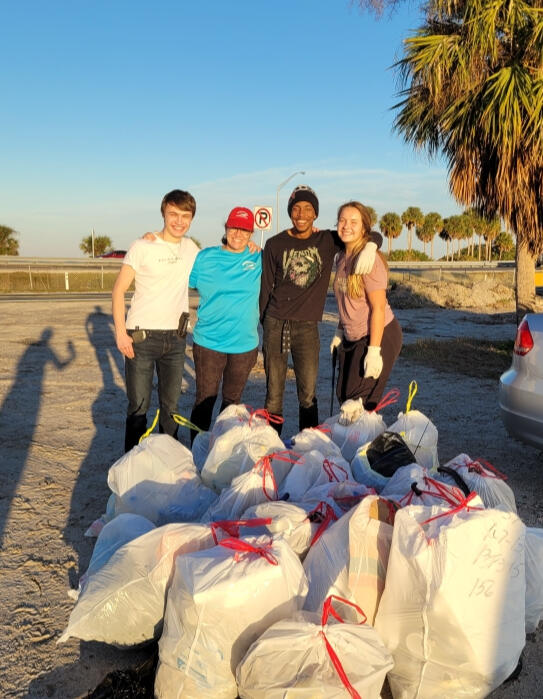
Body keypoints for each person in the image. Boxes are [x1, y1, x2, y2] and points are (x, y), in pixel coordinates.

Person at [259, 185, 382, 434]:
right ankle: (271, 444)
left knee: (308, 394)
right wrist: (263, 324)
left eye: (307, 208)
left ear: (315, 214)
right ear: (290, 212)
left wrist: (372, 247)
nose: (301, 214)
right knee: (273, 394)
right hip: (275, 322)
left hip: (307, 327)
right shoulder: (274, 244)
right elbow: (265, 289)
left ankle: (308, 446)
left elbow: (369, 234)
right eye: (296, 208)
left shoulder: (327, 239)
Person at [112, 189, 199, 452]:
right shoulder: (143, 246)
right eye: (173, 214)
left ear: (192, 219)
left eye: (185, 215)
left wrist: (251, 246)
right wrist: (120, 332)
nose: (179, 221)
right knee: (138, 407)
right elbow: (118, 290)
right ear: (164, 213)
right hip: (141, 338)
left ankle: (167, 462)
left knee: (170, 408)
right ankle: (132, 464)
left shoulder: (191, 249)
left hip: (175, 339)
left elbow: (219, 259)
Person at [188, 207, 261, 442]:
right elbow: (179, 281)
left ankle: (222, 451)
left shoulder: (259, 257)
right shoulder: (205, 257)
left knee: (232, 404)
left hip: (244, 345)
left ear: (251, 233)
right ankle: (197, 451)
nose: (238, 234)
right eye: (233, 227)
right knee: (204, 400)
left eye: (244, 230)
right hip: (208, 343)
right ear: (226, 228)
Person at [329, 201, 402, 424]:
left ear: (364, 228)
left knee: (358, 401)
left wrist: (374, 351)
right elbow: (347, 302)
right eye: (342, 220)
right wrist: (340, 332)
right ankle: (351, 451)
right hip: (352, 336)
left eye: (353, 222)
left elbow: (378, 307)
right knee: (343, 394)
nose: (346, 226)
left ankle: (362, 452)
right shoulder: (341, 257)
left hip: (378, 334)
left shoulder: (369, 260)